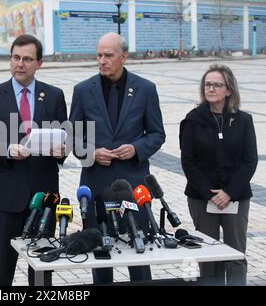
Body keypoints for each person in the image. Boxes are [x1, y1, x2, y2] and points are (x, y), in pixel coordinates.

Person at [69, 32, 166, 284]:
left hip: (133, 188)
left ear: (124, 57)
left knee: (139, 252)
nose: (102, 60)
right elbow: (72, 137)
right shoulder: (82, 90)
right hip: (96, 185)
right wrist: (90, 153)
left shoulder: (145, 89)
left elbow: (157, 134)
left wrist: (136, 148)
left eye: (108, 55)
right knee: (100, 255)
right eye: (99, 55)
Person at [0, 35, 67, 286]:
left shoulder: (54, 96)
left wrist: (61, 151)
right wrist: (5, 150)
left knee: (41, 270)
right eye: (16, 57)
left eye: (27, 59)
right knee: (2, 269)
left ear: (40, 63)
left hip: (44, 196)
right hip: (7, 196)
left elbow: (64, 138)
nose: (20, 64)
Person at [180, 64, 257, 286]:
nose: (210, 89)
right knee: (208, 256)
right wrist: (209, 193)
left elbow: (249, 160)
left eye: (216, 85)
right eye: (207, 84)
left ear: (229, 90)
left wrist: (229, 192)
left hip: (236, 197)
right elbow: (188, 162)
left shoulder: (243, 120)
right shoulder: (192, 120)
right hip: (202, 197)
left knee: (235, 254)